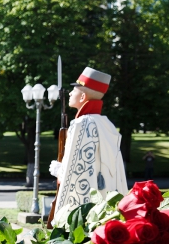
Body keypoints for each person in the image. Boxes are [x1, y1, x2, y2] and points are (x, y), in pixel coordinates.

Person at [50, 67, 128, 211]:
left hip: (86, 207)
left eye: (75, 89)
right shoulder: (107, 124)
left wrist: (59, 170)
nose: (71, 92)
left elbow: (75, 170)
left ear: (82, 97)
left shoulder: (80, 124)